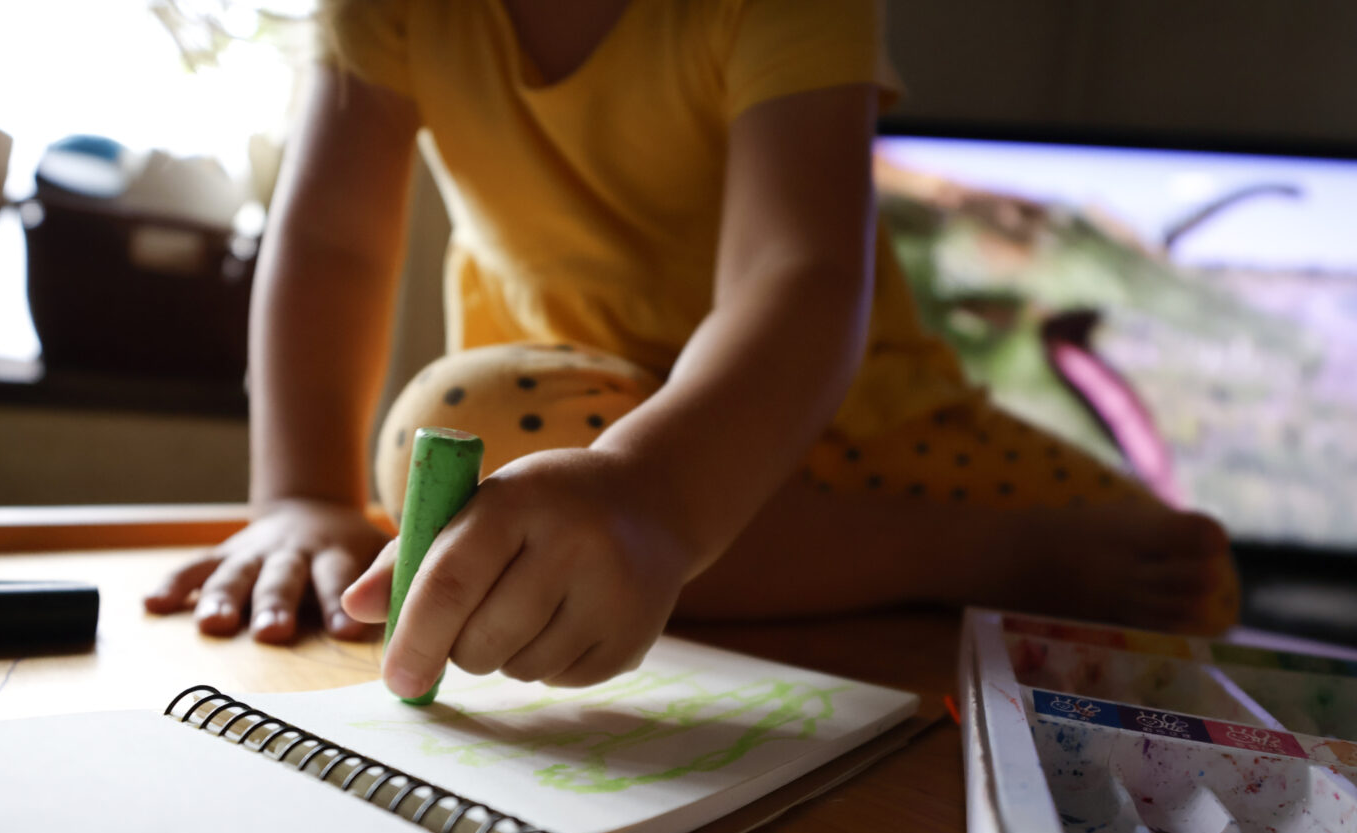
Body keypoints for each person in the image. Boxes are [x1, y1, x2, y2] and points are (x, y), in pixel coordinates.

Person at [144, 0, 1239, 698]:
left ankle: (962, 552)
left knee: (1195, 583)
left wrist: (655, 496)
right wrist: (302, 494)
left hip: (850, 424)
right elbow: (330, 244)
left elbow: (796, 277)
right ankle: (932, 559)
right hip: (574, 424)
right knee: (452, 444)